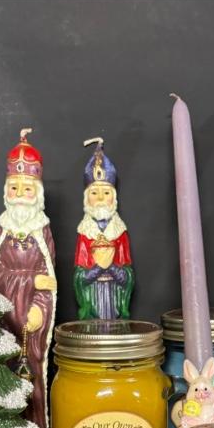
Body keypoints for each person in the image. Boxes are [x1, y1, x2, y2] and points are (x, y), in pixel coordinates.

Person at [0, 128, 57, 428]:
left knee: (32, 387)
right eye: (14, 188)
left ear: (37, 192)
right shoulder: (2, 228)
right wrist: (28, 280)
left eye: (26, 188)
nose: (19, 194)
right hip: (5, 320)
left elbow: (49, 282)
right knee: (4, 383)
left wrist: (40, 308)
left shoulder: (43, 231)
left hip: (31, 326)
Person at [72, 137, 134, 320]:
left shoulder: (119, 231)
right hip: (93, 297)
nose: (100, 198)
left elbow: (128, 276)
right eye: (94, 193)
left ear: (113, 197)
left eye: (106, 193)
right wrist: (98, 268)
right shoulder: (85, 232)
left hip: (114, 296)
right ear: (87, 197)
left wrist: (112, 267)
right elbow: (79, 277)